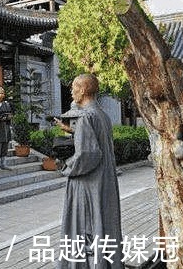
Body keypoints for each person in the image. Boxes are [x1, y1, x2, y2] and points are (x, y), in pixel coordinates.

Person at [58, 74, 123, 268]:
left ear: (83, 90)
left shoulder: (85, 116)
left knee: (84, 227)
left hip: (88, 184)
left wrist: (66, 167)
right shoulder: (102, 115)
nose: (71, 91)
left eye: (74, 87)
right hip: (105, 180)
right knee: (103, 224)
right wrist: (73, 131)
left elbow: (87, 154)